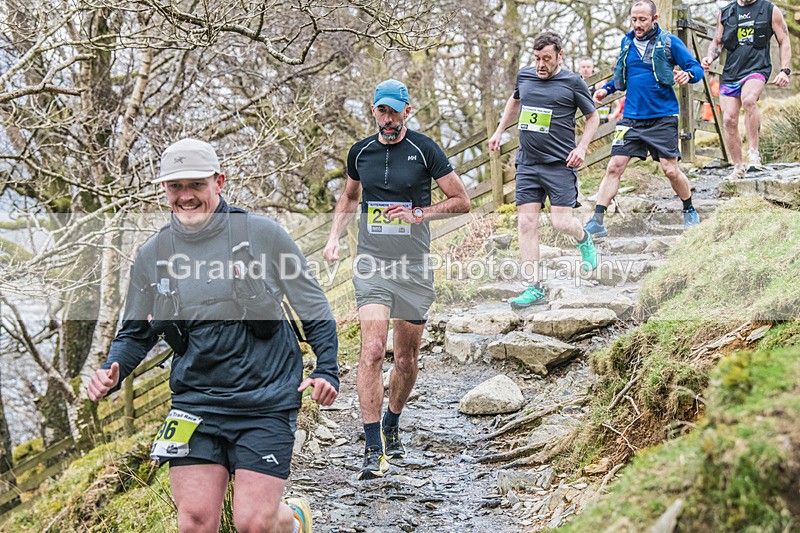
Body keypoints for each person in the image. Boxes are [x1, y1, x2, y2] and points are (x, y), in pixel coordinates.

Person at [87, 138, 338, 533]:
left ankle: (294, 519)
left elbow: (313, 306)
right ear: (164, 190)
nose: (185, 197)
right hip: (195, 402)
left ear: (219, 181)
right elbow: (134, 333)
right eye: (175, 187)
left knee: (254, 524)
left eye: (196, 185)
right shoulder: (153, 255)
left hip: (265, 399)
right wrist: (112, 371)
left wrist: (327, 368)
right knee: (195, 523)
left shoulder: (262, 235)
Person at [323, 79, 470, 480]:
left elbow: (462, 201)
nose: (387, 119)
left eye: (393, 111)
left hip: (414, 267)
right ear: (373, 111)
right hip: (372, 263)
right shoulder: (361, 152)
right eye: (380, 112)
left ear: (408, 110)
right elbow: (351, 197)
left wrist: (420, 214)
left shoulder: (425, 149)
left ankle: (392, 421)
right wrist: (335, 236)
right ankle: (372, 447)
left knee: (405, 359)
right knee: (371, 351)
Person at [489, 32, 601, 309]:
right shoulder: (525, 76)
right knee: (526, 223)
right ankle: (533, 287)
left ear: (559, 55)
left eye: (546, 59)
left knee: (561, 223)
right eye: (537, 58)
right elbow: (514, 101)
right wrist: (500, 130)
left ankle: (584, 238)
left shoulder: (573, 82)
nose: (540, 64)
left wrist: (582, 148)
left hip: (560, 164)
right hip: (527, 162)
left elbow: (593, 117)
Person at [585, 0, 705, 238]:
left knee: (670, 169)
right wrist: (606, 90)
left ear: (654, 19)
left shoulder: (669, 42)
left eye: (642, 19)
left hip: (662, 117)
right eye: (634, 19)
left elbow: (696, 68)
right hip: (631, 118)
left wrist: (688, 75)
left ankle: (689, 209)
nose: (637, 24)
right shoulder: (627, 43)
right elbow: (622, 74)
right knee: (614, 167)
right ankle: (597, 220)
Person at [701, 0, 792, 179]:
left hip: (757, 69)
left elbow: (784, 39)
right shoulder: (726, 12)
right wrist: (709, 57)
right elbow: (717, 42)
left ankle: (754, 154)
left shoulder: (770, 10)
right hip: (731, 72)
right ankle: (738, 167)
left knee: (749, 100)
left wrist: (784, 70)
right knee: (728, 119)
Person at [578, 56, 621, 123]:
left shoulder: (600, 84)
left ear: (592, 68)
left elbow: (617, 105)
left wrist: (613, 115)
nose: (585, 69)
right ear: (579, 69)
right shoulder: (577, 86)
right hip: (585, 122)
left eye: (588, 67)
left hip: (603, 122)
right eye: (583, 67)